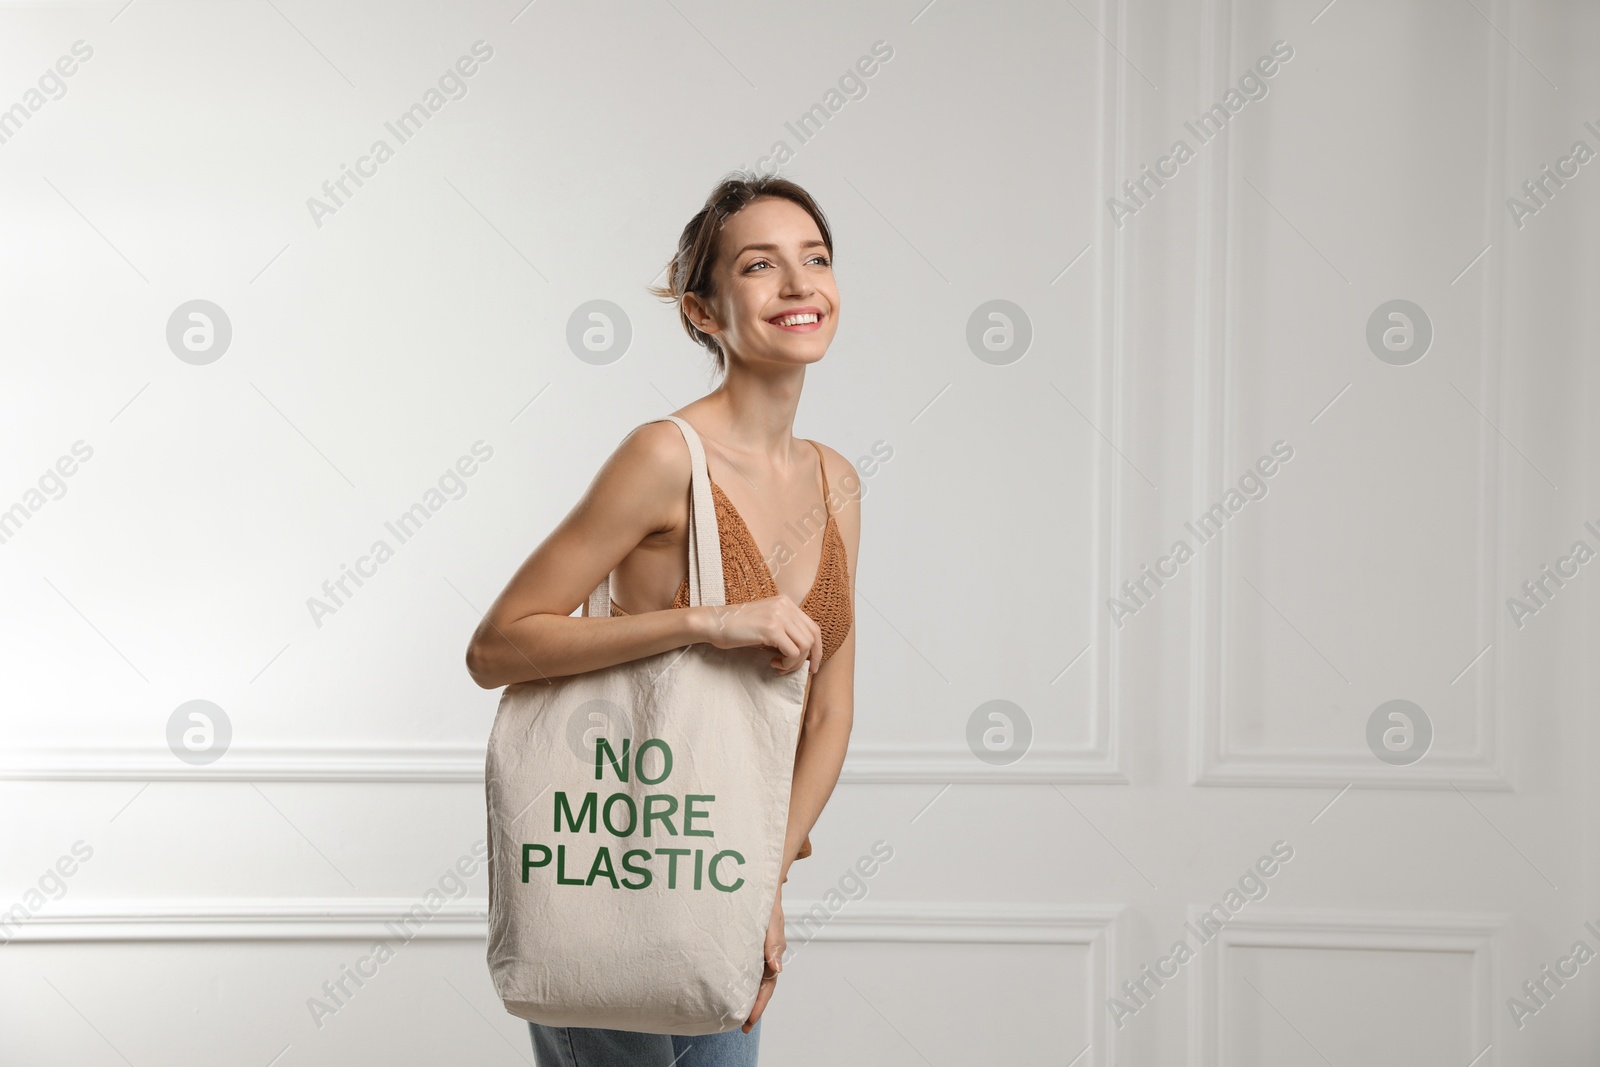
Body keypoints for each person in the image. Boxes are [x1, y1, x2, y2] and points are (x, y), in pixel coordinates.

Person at [464, 172, 860, 1066]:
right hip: (629, 881)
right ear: (704, 311)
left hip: (717, 887)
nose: (800, 285)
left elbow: (830, 707)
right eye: (761, 265)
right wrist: (705, 622)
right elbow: (497, 646)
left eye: (817, 258)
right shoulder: (662, 456)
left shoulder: (837, 482)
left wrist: (766, 879)